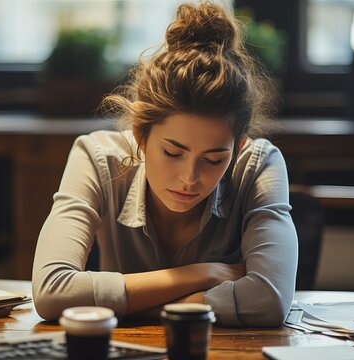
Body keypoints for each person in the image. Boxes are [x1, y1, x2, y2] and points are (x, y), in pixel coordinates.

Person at [32, 2, 297, 327]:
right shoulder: (97, 157)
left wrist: (130, 307)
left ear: (238, 148)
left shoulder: (259, 165)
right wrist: (201, 274)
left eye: (215, 159)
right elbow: (52, 291)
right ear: (141, 136)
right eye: (173, 152)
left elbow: (270, 300)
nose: (190, 178)